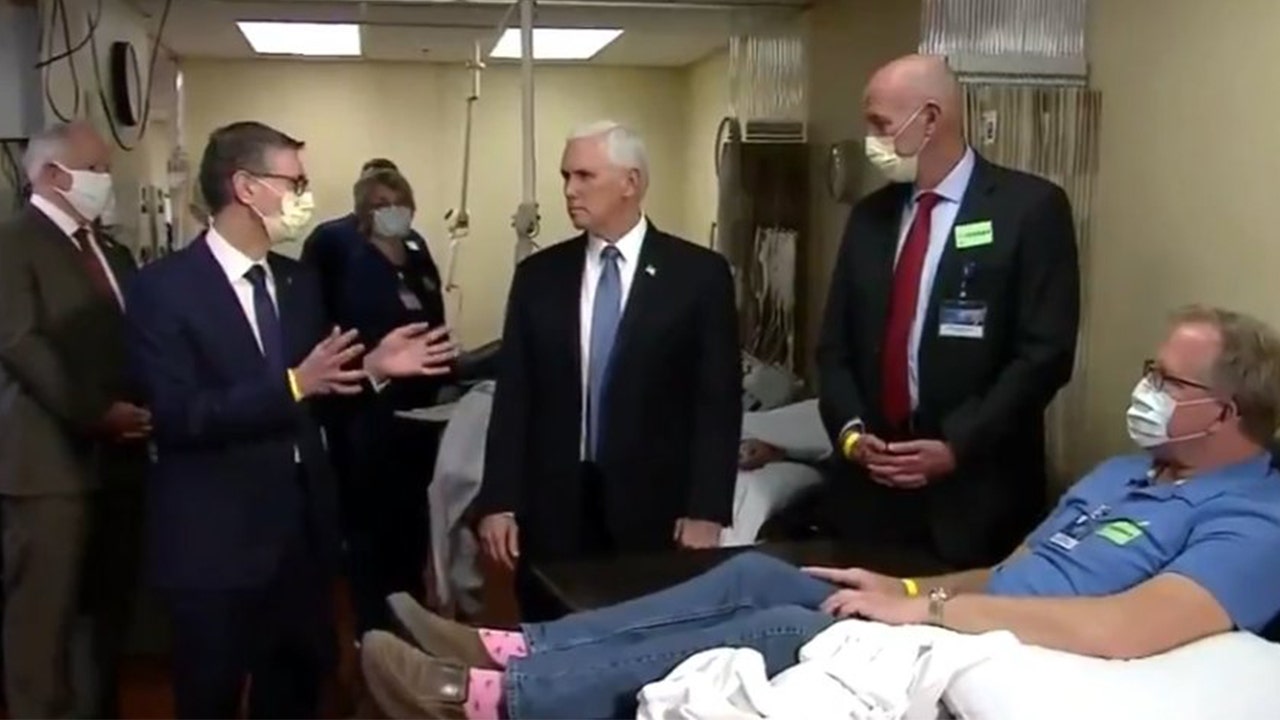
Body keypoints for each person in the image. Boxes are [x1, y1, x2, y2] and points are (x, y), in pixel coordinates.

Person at [360, 304, 1280, 719]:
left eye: (1168, 380)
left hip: (1016, 648)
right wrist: (906, 587)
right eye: (1150, 370)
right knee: (767, 574)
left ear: (1227, 411)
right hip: (970, 615)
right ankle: (509, 647)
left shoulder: (1254, 521)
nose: (1145, 390)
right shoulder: (1127, 472)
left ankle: (488, 702)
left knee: (787, 628)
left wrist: (930, 613)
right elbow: (1011, 570)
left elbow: (1124, 629)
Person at [125, 121, 458, 719]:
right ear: (246, 187)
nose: (305, 196)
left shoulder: (299, 283)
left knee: (298, 695)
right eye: (295, 182)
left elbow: (320, 393)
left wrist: (373, 368)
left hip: (300, 542)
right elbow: (177, 415)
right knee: (210, 699)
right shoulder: (163, 289)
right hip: (213, 545)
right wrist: (293, 384)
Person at [815, 54, 1081, 566]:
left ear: (930, 119)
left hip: (979, 494)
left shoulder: (1029, 209)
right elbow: (834, 347)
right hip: (871, 496)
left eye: (881, 125)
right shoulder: (870, 218)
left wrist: (957, 445)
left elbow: (1044, 354)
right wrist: (851, 434)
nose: (871, 140)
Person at [474, 120, 741, 620]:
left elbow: (717, 402)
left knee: (646, 638)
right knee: (551, 634)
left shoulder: (698, 276)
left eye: (584, 176)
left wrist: (706, 509)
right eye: (566, 176)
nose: (569, 190)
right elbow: (514, 398)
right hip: (554, 507)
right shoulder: (539, 278)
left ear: (630, 182)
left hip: (655, 511)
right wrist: (499, 500)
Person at [0, 121, 151, 719]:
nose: (105, 182)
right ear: (50, 174)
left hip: (121, 463)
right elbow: (20, 341)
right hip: (46, 466)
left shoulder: (111, 253)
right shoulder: (12, 244)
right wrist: (96, 413)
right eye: (95, 170)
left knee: (105, 617)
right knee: (41, 622)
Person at [335, 168, 448, 634]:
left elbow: (435, 318)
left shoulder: (418, 259)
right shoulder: (357, 266)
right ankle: (374, 631)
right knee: (373, 534)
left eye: (399, 201)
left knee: (413, 529)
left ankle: (413, 622)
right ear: (366, 211)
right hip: (374, 415)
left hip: (424, 414)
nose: (393, 211)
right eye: (382, 203)